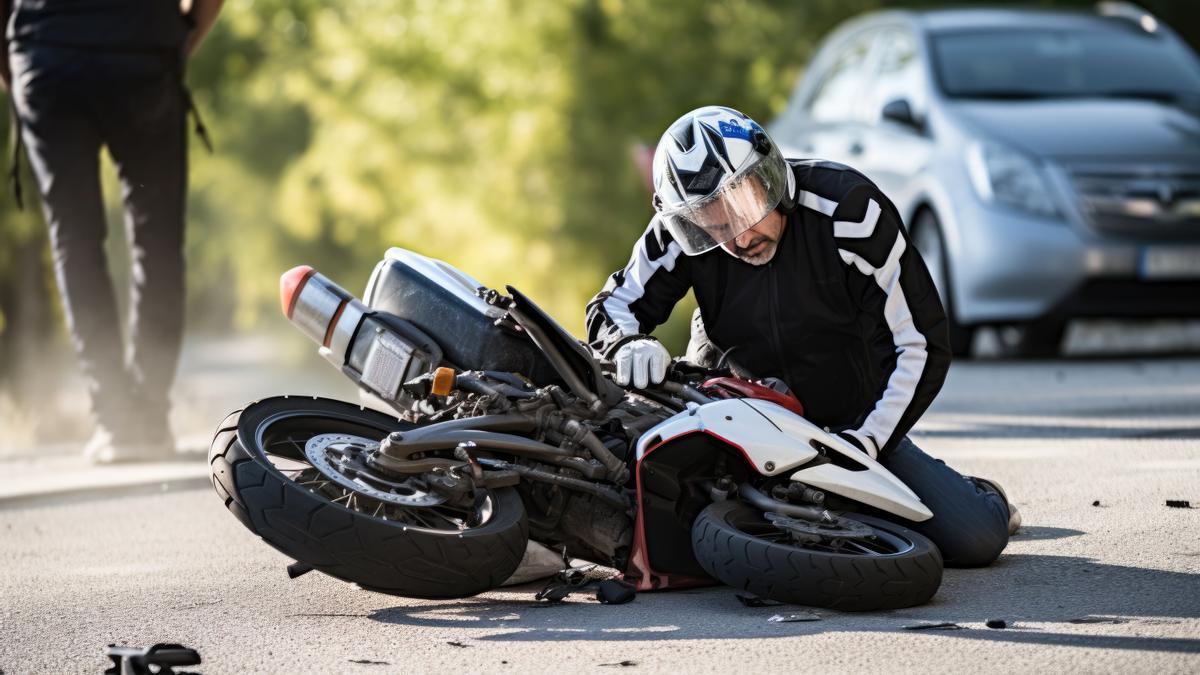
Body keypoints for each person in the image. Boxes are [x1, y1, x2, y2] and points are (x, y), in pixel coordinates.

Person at [586, 106, 1018, 567]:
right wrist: (626, 343)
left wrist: (867, 440)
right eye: (711, 226)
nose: (737, 238)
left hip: (850, 423)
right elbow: (612, 306)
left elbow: (921, 342)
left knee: (976, 540)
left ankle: (975, 494)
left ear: (771, 175)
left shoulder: (851, 211)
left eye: (742, 208)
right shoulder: (678, 227)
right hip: (740, 415)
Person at [2, 0, 225, 462]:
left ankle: (116, 421)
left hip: (45, 52)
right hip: (141, 48)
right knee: (157, 239)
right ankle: (148, 418)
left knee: (75, 242)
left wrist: (16, 63)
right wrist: (182, 35)